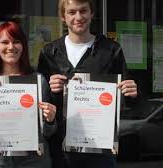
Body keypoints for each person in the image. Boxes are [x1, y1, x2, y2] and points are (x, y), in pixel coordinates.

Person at [37, 0, 138, 168]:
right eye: (72, 12)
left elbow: (126, 103)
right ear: (63, 16)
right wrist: (50, 89)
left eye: (83, 11)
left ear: (92, 13)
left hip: (99, 150)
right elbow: (41, 108)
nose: (78, 17)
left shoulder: (111, 50)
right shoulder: (49, 53)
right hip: (60, 150)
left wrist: (131, 93)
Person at [0, 21, 57, 168]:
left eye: (16, 42)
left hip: (35, 162)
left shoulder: (38, 81)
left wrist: (50, 120)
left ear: (23, 46)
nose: (11, 47)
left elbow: (48, 132)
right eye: (5, 42)